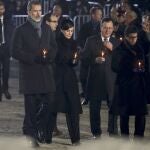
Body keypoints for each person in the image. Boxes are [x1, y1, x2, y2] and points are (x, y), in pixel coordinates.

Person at [12, 0, 57, 147]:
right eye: (35, 11)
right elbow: (15, 51)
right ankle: (31, 137)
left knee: (49, 103)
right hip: (30, 75)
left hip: (45, 74)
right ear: (29, 12)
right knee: (31, 109)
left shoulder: (47, 28)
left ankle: (34, 128)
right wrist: (33, 58)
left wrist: (49, 57)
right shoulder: (21, 30)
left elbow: (53, 46)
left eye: (40, 11)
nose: (38, 13)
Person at [81, 18, 119, 138]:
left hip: (111, 81)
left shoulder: (116, 42)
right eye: (105, 27)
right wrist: (94, 60)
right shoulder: (91, 40)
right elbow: (84, 59)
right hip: (95, 80)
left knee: (113, 108)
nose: (107, 30)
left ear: (113, 29)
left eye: (110, 28)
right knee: (94, 109)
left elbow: (122, 61)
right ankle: (96, 133)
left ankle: (113, 132)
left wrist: (113, 49)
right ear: (100, 28)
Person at [111, 25, 149, 138]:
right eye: (131, 37)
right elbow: (114, 67)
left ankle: (139, 139)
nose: (133, 40)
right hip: (125, 86)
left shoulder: (140, 49)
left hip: (138, 86)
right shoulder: (119, 50)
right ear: (126, 37)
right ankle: (125, 140)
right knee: (124, 115)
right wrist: (130, 66)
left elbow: (145, 64)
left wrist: (142, 69)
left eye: (135, 37)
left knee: (141, 115)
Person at [49, 18, 82, 145]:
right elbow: (57, 58)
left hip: (70, 78)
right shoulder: (56, 42)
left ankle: (76, 139)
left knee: (73, 109)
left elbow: (74, 60)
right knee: (53, 108)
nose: (70, 33)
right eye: (67, 30)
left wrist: (75, 60)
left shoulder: (74, 43)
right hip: (57, 78)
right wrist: (69, 58)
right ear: (62, 30)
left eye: (72, 30)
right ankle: (47, 136)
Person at [43, 12, 62, 136]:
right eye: (54, 21)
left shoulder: (58, 35)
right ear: (47, 23)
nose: (57, 23)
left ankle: (53, 126)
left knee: (54, 100)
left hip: (56, 72)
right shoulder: (42, 36)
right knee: (44, 101)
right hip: (44, 73)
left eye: (57, 21)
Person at [78, 6, 103, 105]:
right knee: (83, 76)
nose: (101, 16)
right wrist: (81, 47)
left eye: (101, 14)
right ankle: (86, 96)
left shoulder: (102, 27)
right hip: (86, 54)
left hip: (97, 55)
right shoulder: (85, 26)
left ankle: (94, 96)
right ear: (93, 15)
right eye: (99, 14)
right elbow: (80, 38)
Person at [0, 1, 14, 101]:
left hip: (6, 49)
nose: (1, 11)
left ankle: (5, 89)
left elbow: (11, 33)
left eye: (2, 9)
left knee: (6, 71)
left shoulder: (8, 20)